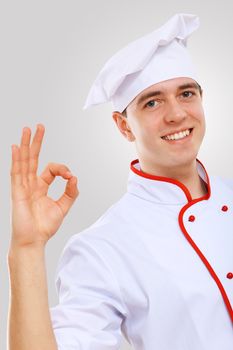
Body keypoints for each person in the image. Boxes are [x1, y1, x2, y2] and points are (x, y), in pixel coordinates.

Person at [8, 13, 233, 350]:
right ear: (124, 126)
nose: (176, 114)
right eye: (153, 102)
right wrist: (26, 249)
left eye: (186, 94)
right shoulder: (103, 248)